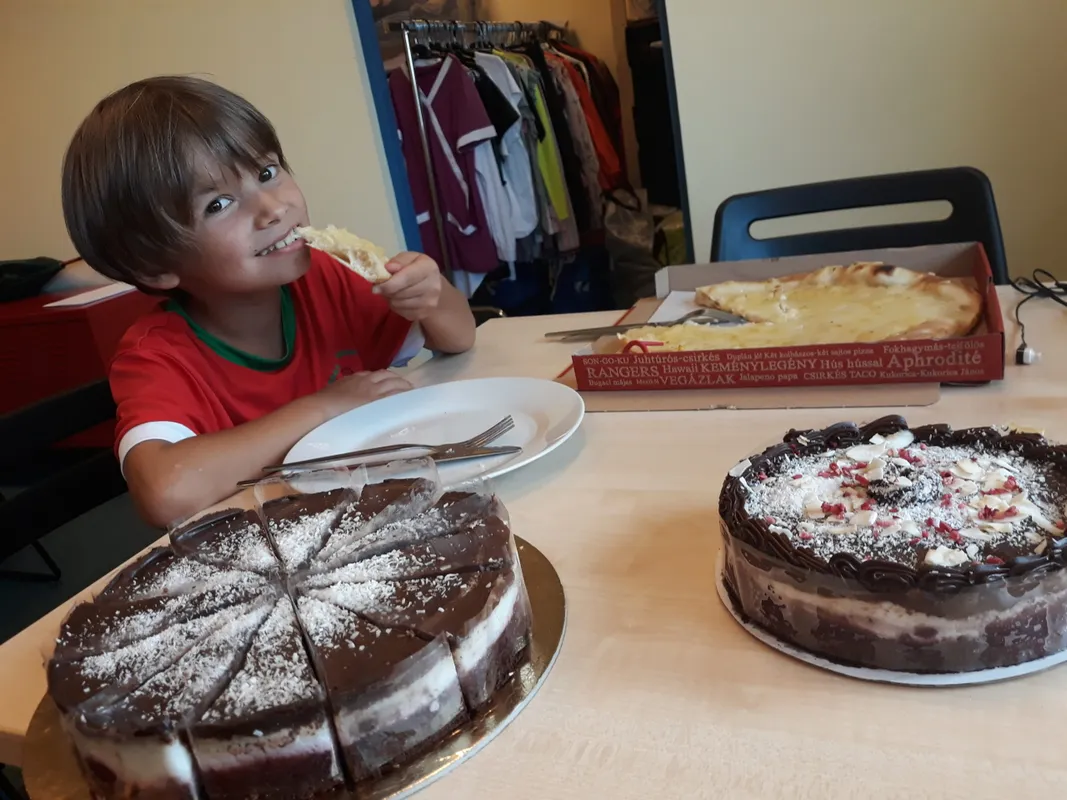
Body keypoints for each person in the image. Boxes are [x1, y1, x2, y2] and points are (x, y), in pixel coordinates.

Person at [61, 76, 476, 528]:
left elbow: (458, 337)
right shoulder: (156, 357)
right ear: (155, 267)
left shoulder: (326, 277)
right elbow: (167, 493)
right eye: (218, 204)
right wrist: (324, 406)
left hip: (379, 514)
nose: (273, 209)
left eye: (267, 173)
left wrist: (430, 294)